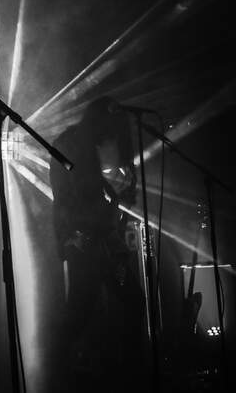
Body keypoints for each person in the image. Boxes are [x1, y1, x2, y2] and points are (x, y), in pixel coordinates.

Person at [49, 95, 144, 390]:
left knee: (130, 302)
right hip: (83, 241)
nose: (111, 138)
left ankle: (125, 375)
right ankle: (60, 374)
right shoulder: (70, 143)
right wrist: (77, 234)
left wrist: (121, 197)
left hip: (105, 239)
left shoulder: (90, 144)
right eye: (109, 128)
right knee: (81, 309)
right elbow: (68, 197)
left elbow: (104, 196)